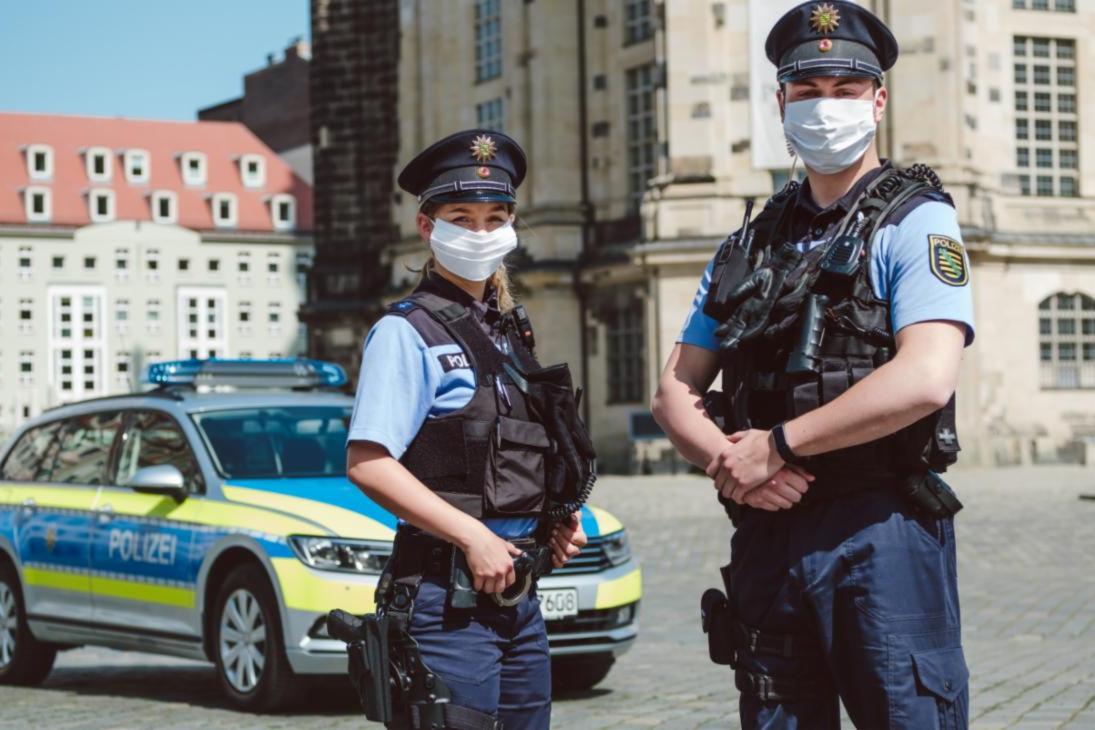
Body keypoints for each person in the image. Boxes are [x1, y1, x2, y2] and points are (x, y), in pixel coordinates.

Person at [652, 2, 974, 728]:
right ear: (780, 103)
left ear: (877, 99)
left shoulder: (915, 221)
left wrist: (779, 447)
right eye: (807, 91)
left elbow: (925, 376)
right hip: (767, 528)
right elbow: (674, 389)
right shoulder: (746, 244)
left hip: (879, 525)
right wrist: (731, 464)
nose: (824, 107)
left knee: (906, 711)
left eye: (844, 90)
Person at [343, 129, 594, 730]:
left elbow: (507, 450)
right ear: (428, 227)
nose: (480, 233)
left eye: (494, 217)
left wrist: (553, 518)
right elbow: (368, 462)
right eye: (462, 217)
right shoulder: (406, 331)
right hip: (445, 598)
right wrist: (472, 537)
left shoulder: (506, 330)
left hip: (516, 597)